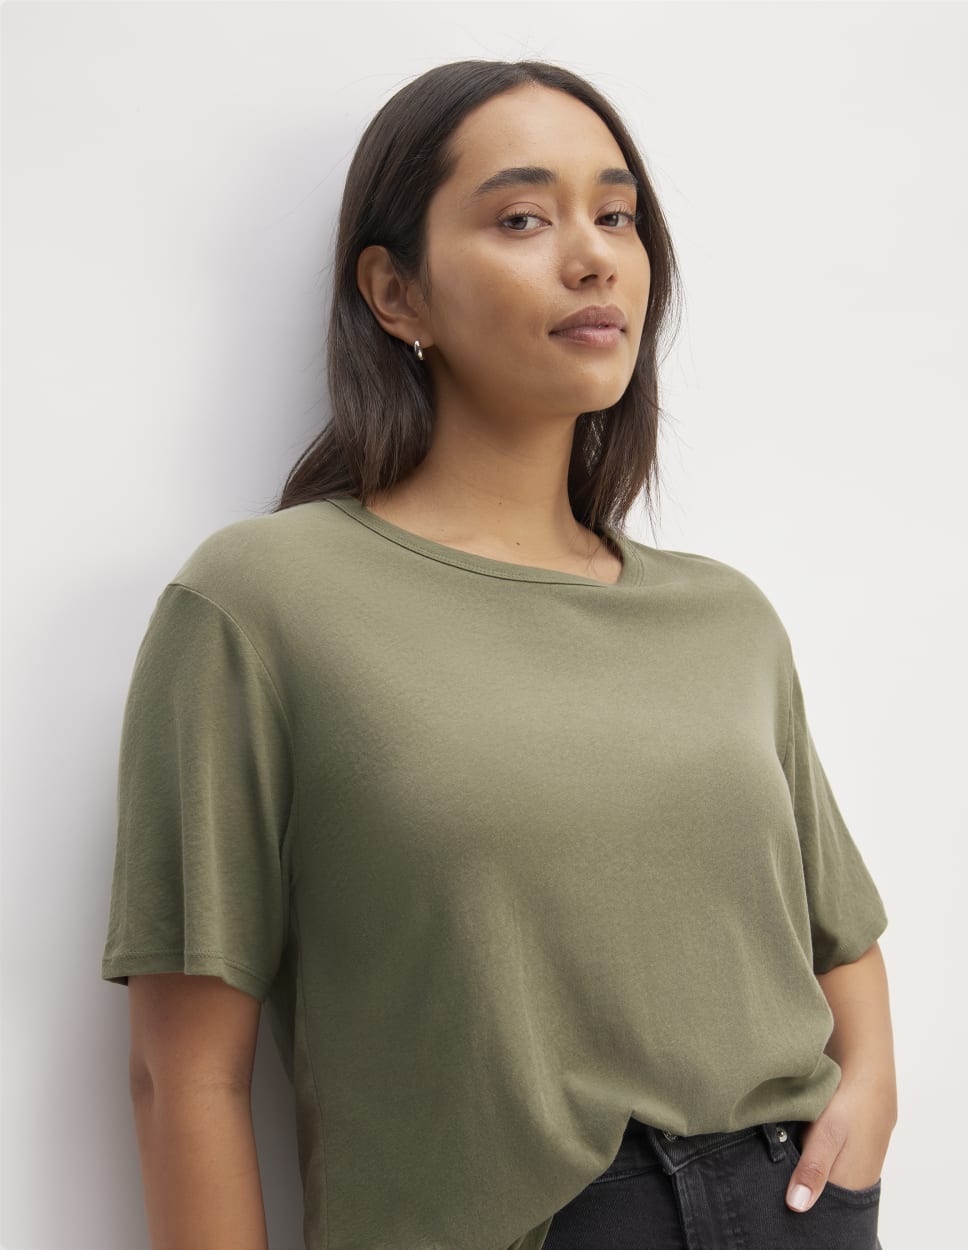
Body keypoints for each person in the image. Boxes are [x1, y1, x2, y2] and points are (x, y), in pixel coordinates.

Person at [100, 58, 897, 1250]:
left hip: (787, 1206)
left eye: (616, 215)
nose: (593, 257)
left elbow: (840, 932)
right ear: (395, 293)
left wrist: (869, 1092)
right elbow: (184, 1075)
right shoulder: (262, 602)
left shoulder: (724, 617)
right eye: (522, 218)